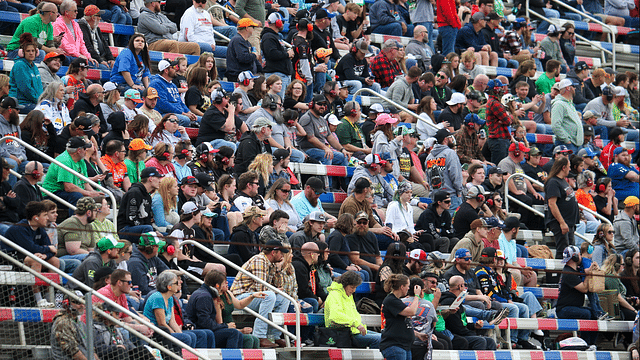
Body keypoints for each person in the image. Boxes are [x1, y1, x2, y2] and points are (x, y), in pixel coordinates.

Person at [229, 239, 291, 348]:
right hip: (240, 297)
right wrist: (275, 290)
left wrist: (279, 269)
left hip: (253, 296)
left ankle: (274, 336)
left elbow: (278, 286)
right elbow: (261, 289)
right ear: (274, 252)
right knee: (269, 296)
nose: (283, 255)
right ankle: (260, 336)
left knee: (284, 298)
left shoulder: (270, 263)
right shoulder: (259, 260)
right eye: (281, 252)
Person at [143, 271, 211, 349]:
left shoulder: (170, 298)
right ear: (169, 286)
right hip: (156, 332)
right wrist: (177, 336)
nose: (179, 283)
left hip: (166, 330)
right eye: (176, 282)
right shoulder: (157, 298)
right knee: (186, 338)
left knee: (200, 334)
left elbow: (172, 321)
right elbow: (161, 323)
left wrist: (179, 333)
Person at [185, 270, 244, 349]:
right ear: (217, 285)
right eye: (223, 283)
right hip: (201, 331)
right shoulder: (204, 297)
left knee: (237, 333)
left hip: (205, 330)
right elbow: (205, 323)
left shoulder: (204, 293)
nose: (226, 285)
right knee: (234, 333)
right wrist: (225, 326)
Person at [323, 270, 381, 348]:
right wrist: (356, 324)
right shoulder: (334, 295)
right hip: (344, 333)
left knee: (384, 338)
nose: (354, 290)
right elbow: (335, 316)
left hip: (353, 331)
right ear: (345, 284)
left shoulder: (347, 294)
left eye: (355, 287)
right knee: (379, 339)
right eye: (352, 287)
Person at [440, 275, 497, 350]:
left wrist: (473, 326)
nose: (465, 288)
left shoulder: (457, 300)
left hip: (461, 333)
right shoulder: (450, 302)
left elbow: (462, 323)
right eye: (465, 285)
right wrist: (472, 333)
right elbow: (455, 327)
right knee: (480, 341)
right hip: (455, 335)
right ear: (460, 286)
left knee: (490, 341)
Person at [556, 245, 598, 345]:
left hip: (573, 307)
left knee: (594, 314)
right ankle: (586, 342)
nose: (581, 257)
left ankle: (592, 344)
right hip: (564, 309)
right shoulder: (568, 272)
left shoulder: (575, 270)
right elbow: (584, 289)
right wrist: (588, 274)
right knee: (586, 314)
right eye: (579, 255)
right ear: (574, 257)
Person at [545, 157, 579, 280]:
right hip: (560, 222)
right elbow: (552, 203)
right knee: (563, 251)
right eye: (569, 166)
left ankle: (568, 278)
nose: (570, 168)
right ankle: (560, 280)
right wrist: (562, 222)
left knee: (571, 252)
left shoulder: (563, 181)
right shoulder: (553, 182)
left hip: (569, 223)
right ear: (563, 167)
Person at [379, 274, 421, 360]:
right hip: (394, 345)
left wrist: (417, 334)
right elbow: (412, 311)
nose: (409, 289)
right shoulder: (391, 300)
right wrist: (417, 296)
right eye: (408, 286)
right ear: (402, 287)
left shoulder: (396, 300)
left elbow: (400, 323)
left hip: (404, 346)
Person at [117, 167, 162, 242]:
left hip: (139, 229)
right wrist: (150, 231)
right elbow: (131, 218)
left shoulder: (148, 196)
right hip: (125, 229)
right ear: (150, 179)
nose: (160, 181)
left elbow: (147, 220)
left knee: (166, 235)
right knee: (148, 230)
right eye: (158, 178)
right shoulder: (134, 193)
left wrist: (154, 231)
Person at [425, 129, 463, 214]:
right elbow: (455, 175)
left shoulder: (429, 157)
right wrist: (459, 191)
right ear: (445, 139)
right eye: (450, 137)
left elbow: (428, 177)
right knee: (452, 223)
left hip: (435, 197)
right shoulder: (450, 153)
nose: (452, 139)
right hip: (450, 197)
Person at [51, 291, 93, 359]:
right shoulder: (63, 322)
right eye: (77, 302)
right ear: (67, 303)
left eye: (83, 302)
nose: (82, 305)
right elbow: (74, 353)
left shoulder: (80, 323)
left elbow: (91, 349)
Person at [261, 13, 293, 100]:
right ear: (277, 22)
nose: (283, 24)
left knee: (280, 103)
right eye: (282, 22)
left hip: (281, 74)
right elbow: (272, 54)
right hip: (276, 75)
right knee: (275, 101)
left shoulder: (275, 36)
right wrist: (287, 54)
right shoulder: (268, 36)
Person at [9, 34, 43, 114]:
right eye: (28, 51)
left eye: (33, 51)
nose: (31, 53)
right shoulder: (20, 65)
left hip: (32, 102)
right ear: (22, 53)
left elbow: (39, 87)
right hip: (20, 103)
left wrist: (42, 100)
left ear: (36, 52)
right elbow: (26, 89)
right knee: (43, 111)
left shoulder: (34, 66)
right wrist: (39, 101)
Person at [77, 5, 115, 70]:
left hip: (99, 58)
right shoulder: (81, 26)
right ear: (93, 18)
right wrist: (100, 60)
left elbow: (105, 44)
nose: (100, 18)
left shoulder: (96, 28)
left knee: (116, 67)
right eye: (99, 16)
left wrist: (111, 59)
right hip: (90, 59)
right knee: (107, 69)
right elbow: (88, 46)